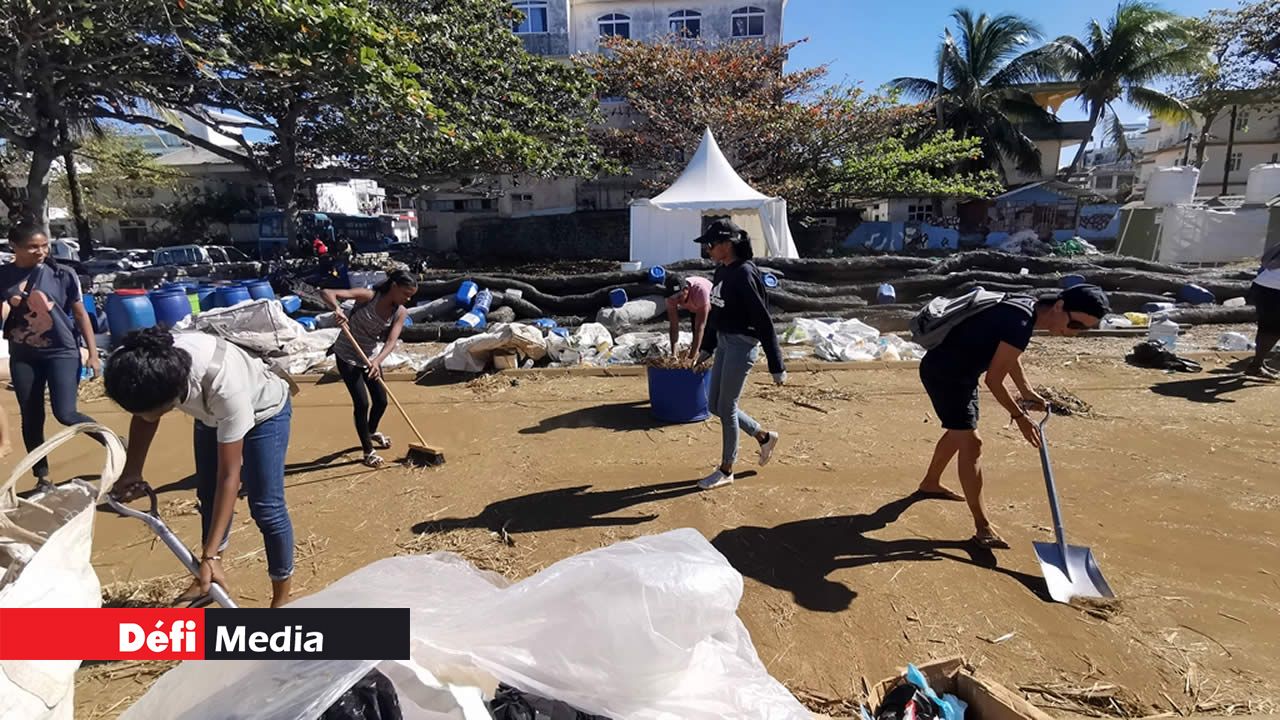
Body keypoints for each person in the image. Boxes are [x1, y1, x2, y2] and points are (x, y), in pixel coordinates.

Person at [105, 327, 295, 607]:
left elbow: (229, 476)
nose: (145, 416)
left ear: (173, 397)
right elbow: (144, 416)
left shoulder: (225, 387)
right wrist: (133, 468)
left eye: (152, 411)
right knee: (208, 499)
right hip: (209, 417)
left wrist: (210, 554)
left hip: (264, 412)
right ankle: (206, 581)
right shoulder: (136, 359)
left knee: (267, 508)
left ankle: (281, 599)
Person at [915, 284, 1110, 548]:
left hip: (961, 372)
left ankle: (930, 483)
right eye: (1075, 324)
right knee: (972, 443)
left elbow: (1007, 353)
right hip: (946, 375)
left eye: (1084, 330)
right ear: (1059, 306)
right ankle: (983, 527)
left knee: (960, 431)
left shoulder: (1025, 310)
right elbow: (994, 380)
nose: (1074, 334)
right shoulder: (1020, 320)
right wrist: (1019, 417)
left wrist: (1027, 391)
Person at [0, 227, 100, 492]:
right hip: (23, 355)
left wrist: (93, 353)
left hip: (62, 352)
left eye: (45, 245)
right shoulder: (3, 276)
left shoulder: (62, 274)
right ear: (14, 247)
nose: (41, 251)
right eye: (34, 247)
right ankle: (42, 477)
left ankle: (111, 440)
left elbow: (80, 315)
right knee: (31, 416)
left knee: (65, 413)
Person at [695, 219, 785, 491]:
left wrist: (776, 364)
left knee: (727, 407)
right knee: (714, 406)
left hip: (742, 345)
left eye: (711, 244)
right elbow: (715, 313)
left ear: (727, 244)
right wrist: (707, 347)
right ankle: (764, 436)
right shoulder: (722, 271)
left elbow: (763, 320)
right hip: (724, 343)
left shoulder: (745, 274)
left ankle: (726, 469)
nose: (708, 249)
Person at [324, 270, 417, 467]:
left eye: (410, 296)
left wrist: (377, 361)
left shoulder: (400, 312)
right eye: (405, 294)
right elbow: (327, 292)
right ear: (393, 287)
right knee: (362, 403)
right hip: (347, 354)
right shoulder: (368, 296)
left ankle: (371, 431)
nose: (407, 299)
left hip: (369, 358)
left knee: (381, 401)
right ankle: (368, 451)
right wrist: (337, 309)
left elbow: (392, 341)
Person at [1245, 242, 1280, 379]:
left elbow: (1265, 259)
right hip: (1274, 290)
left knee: (1267, 328)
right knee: (1273, 330)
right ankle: (1256, 366)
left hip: (1262, 286)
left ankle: (1258, 362)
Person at [664, 273, 712, 360]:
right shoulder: (671, 299)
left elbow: (700, 327)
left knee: (708, 340)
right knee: (695, 335)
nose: (677, 301)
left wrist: (690, 358)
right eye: (673, 297)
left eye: (679, 296)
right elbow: (674, 325)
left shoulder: (700, 291)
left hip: (712, 306)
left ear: (686, 289)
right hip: (694, 307)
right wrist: (673, 354)